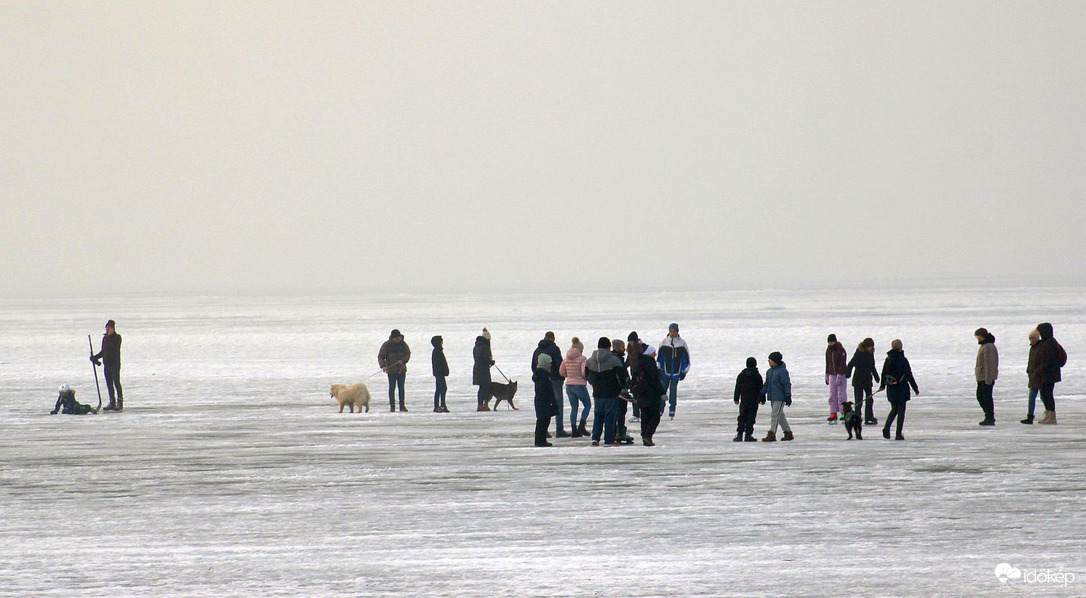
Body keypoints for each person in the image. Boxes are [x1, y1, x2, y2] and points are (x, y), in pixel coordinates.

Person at [586, 337, 628, 446]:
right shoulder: (614, 359)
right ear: (609, 346)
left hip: (597, 392)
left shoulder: (590, 360)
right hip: (611, 392)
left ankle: (595, 438)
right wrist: (622, 387)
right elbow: (621, 375)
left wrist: (594, 384)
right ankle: (609, 440)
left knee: (598, 415)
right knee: (610, 416)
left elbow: (586, 375)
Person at [878, 339, 919, 440]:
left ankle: (886, 428)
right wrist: (915, 388)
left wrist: (882, 385)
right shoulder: (903, 360)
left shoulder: (888, 359)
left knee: (894, 409)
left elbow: (883, 373)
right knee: (901, 411)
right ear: (901, 347)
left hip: (891, 388)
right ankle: (898, 433)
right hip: (901, 388)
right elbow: (909, 375)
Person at [531, 332, 568, 437]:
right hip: (555, 379)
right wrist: (560, 376)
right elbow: (559, 363)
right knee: (557, 404)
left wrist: (538, 375)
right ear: (553, 338)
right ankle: (559, 429)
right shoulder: (554, 349)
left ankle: (544, 430)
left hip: (540, 379)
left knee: (542, 404)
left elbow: (533, 366)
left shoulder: (537, 350)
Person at [632, 344, 666, 446]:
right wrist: (662, 393)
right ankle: (648, 436)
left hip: (641, 393)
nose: (655, 354)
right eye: (653, 352)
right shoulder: (650, 363)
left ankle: (644, 436)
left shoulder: (637, 362)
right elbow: (655, 380)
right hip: (651, 393)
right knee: (655, 416)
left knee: (645, 416)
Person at [1034, 322, 1067, 425]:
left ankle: (1051, 416)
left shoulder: (1049, 342)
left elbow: (1050, 359)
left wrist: (1042, 368)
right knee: (1045, 393)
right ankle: (1048, 414)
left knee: (1047, 394)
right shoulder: (1047, 342)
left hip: (1050, 373)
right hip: (1048, 373)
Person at [559, 337, 590, 437]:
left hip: (569, 385)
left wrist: (569, 376)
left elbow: (561, 372)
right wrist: (586, 378)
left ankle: (574, 430)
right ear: (580, 349)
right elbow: (583, 372)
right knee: (587, 405)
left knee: (574, 408)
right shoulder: (582, 358)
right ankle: (581, 425)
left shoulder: (566, 358)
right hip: (579, 385)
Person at [657, 323, 690, 419]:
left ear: (677, 331)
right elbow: (659, 358)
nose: (672, 333)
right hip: (665, 372)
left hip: (676, 372)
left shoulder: (682, 343)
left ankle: (672, 408)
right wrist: (659, 368)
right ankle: (660, 409)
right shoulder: (663, 342)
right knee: (662, 390)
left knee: (673, 390)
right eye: (670, 331)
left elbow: (686, 359)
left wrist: (684, 371)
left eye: (674, 331)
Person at [846, 338, 881, 425]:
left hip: (867, 380)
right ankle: (857, 416)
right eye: (870, 347)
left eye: (872, 346)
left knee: (869, 399)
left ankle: (869, 417)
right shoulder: (858, 353)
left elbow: (872, 366)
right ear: (865, 346)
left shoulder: (870, 354)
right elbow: (850, 364)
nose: (871, 348)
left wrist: (876, 377)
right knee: (859, 400)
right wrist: (848, 374)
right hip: (858, 380)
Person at [90, 319, 123, 411]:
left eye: (109, 328)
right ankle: (112, 401)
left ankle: (120, 402)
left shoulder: (117, 338)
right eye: (106, 328)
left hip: (115, 364)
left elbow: (114, 348)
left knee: (116, 382)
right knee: (109, 383)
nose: (107, 330)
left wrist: (110, 337)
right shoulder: (105, 338)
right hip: (107, 365)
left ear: (112, 328)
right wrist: (95, 357)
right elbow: (103, 352)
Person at [761, 352, 793, 442]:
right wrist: (762, 393)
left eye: (770, 360)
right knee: (780, 416)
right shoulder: (769, 372)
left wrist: (788, 395)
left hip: (780, 397)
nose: (768, 361)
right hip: (772, 397)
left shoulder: (782, 371)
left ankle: (772, 433)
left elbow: (786, 384)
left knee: (775, 415)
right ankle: (788, 432)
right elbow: (767, 384)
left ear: (775, 361)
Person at [378, 329, 411, 412]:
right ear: (392, 338)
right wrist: (383, 366)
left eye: (399, 337)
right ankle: (392, 406)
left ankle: (402, 406)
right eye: (396, 338)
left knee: (401, 388)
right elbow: (381, 356)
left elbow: (408, 354)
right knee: (392, 388)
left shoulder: (403, 344)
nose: (398, 339)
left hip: (401, 370)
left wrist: (402, 360)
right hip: (391, 371)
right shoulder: (386, 345)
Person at [733, 357, 764, 442]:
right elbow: (760, 388)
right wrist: (762, 399)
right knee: (751, 418)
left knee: (742, 417)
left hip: (744, 401)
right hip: (754, 401)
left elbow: (737, 387)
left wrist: (736, 398)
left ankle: (739, 435)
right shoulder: (757, 375)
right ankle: (748, 435)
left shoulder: (741, 375)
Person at [610, 338, 634, 444]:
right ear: (617, 347)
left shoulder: (618, 358)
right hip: (619, 390)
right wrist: (625, 384)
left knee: (619, 411)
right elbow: (620, 374)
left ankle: (618, 431)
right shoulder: (616, 359)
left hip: (617, 389)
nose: (624, 349)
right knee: (620, 411)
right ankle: (619, 432)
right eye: (622, 347)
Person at [533, 354, 559, 447]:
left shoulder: (540, 374)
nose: (550, 365)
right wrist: (550, 400)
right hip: (543, 401)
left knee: (542, 421)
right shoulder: (543, 375)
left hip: (540, 401)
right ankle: (540, 440)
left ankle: (540, 439)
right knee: (543, 421)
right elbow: (544, 389)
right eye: (549, 363)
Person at [974, 327, 998, 426]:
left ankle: (990, 417)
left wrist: (988, 378)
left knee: (986, 397)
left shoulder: (988, 346)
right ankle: (988, 415)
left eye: (977, 336)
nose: (977, 339)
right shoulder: (984, 346)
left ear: (981, 336)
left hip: (986, 377)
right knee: (980, 396)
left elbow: (989, 364)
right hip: (982, 377)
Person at [825, 334, 848, 424]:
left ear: (835, 341)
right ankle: (833, 412)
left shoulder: (841, 350)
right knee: (832, 394)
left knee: (841, 394)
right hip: (831, 374)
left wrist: (839, 374)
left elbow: (843, 363)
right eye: (829, 342)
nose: (830, 344)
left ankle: (843, 412)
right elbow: (827, 362)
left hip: (841, 374)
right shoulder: (828, 350)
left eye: (832, 342)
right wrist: (827, 373)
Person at [1022, 329, 1042, 424]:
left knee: (1043, 397)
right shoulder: (1032, 348)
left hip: (1040, 376)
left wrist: (1037, 371)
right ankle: (1030, 416)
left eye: (1033, 338)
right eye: (1030, 339)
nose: (1031, 340)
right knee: (1031, 397)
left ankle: (1049, 413)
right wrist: (1028, 370)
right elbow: (1030, 361)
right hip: (1033, 376)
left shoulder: (1041, 347)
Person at [473, 332, 494, 411]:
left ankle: (480, 404)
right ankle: (483, 405)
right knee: (485, 387)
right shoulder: (485, 347)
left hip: (477, 369)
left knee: (482, 388)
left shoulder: (476, 346)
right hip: (483, 370)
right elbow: (485, 359)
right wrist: (491, 362)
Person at [431, 335, 450, 413]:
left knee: (439, 389)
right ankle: (441, 405)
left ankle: (438, 405)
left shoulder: (438, 351)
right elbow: (438, 364)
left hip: (439, 373)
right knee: (443, 388)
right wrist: (443, 371)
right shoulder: (437, 351)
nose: (442, 342)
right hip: (439, 373)